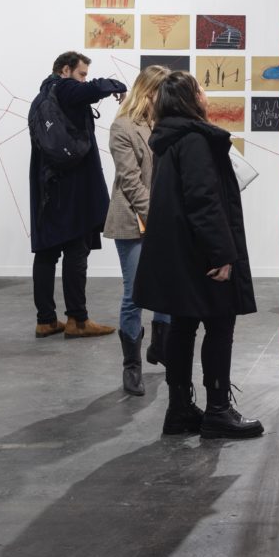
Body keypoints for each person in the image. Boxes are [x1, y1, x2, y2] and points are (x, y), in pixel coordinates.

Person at [134, 70, 263, 439]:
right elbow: (203, 201)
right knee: (220, 324)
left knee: (184, 326)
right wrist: (221, 255)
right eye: (201, 89)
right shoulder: (194, 140)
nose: (206, 94)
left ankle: (179, 410)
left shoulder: (169, 138)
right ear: (189, 99)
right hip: (200, 255)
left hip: (179, 253)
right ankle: (218, 411)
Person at [29, 52, 126, 338]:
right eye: (81, 73)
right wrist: (117, 86)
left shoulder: (42, 97)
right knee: (76, 250)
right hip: (72, 186)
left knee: (47, 253)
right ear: (66, 70)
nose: (84, 79)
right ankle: (78, 320)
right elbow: (94, 88)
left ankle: (46, 320)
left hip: (48, 184)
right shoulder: (63, 87)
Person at [106, 65, 175, 395]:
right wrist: (158, 216)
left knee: (167, 287)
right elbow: (131, 182)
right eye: (162, 93)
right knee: (135, 294)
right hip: (133, 219)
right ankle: (131, 365)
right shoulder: (122, 126)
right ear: (148, 92)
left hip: (162, 218)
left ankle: (160, 346)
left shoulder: (164, 124)